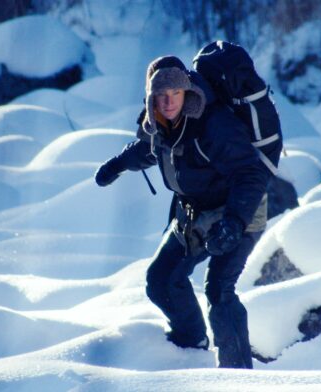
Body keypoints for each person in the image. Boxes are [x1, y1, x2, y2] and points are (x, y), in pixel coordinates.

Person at [94, 55, 270, 369]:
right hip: (195, 214)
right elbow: (148, 149)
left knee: (219, 289)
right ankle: (191, 346)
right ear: (151, 99)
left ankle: (239, 376)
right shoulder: (161, 124)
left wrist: (233, 222)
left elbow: (250, 174)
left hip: (241, 208)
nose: (168, 101)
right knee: (161, 279)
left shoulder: (215, 124)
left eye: (174, 94)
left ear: (186, 92)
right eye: (160, 96)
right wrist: (116, 166)